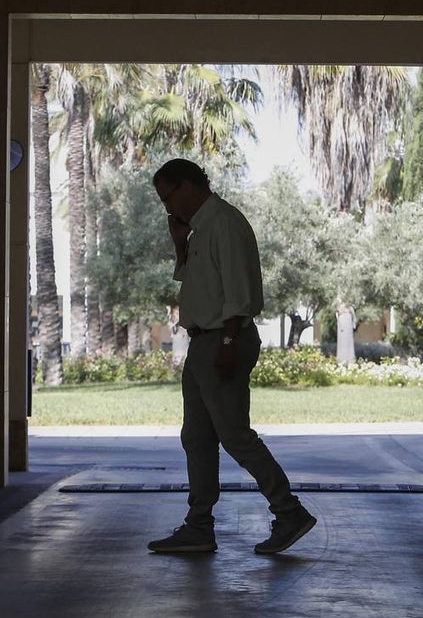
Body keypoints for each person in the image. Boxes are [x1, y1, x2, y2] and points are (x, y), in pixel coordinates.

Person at [147, 158, 317, 555]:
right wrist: (179, 247)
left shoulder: (224, 223)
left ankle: (289, 512)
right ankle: (199, 526)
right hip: (204, 342)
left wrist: (226, 344)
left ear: (189, 185)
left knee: (236, 436)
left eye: (168, 198)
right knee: (197, 438)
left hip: (225, 339)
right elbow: (201, 287)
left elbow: (239, 295)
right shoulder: (199, 230)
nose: (168, 208)